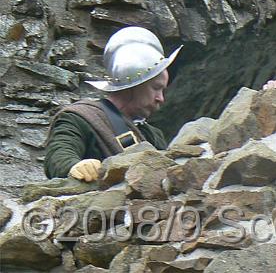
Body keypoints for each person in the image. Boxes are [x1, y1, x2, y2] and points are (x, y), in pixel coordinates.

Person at [44, 27, 181, 182]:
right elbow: (57, 158)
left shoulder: (153, 135)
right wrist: (75, 166)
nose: (161, 98)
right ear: (135, 84)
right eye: (156, 88)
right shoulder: (79, 119)